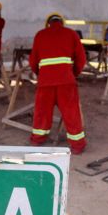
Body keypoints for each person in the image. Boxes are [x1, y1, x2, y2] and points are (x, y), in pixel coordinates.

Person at [29, 13, 87, 154]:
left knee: (42, 113)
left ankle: (38, 139)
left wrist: (41, 74)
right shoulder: (71, 34)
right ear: (62, 22)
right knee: (71, 113)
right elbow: (81, 59)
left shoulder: (40, 35)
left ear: (48, 23)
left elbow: (33, 62)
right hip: (66, 82)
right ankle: (77, 145)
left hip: (45, 83)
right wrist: (73, 74)